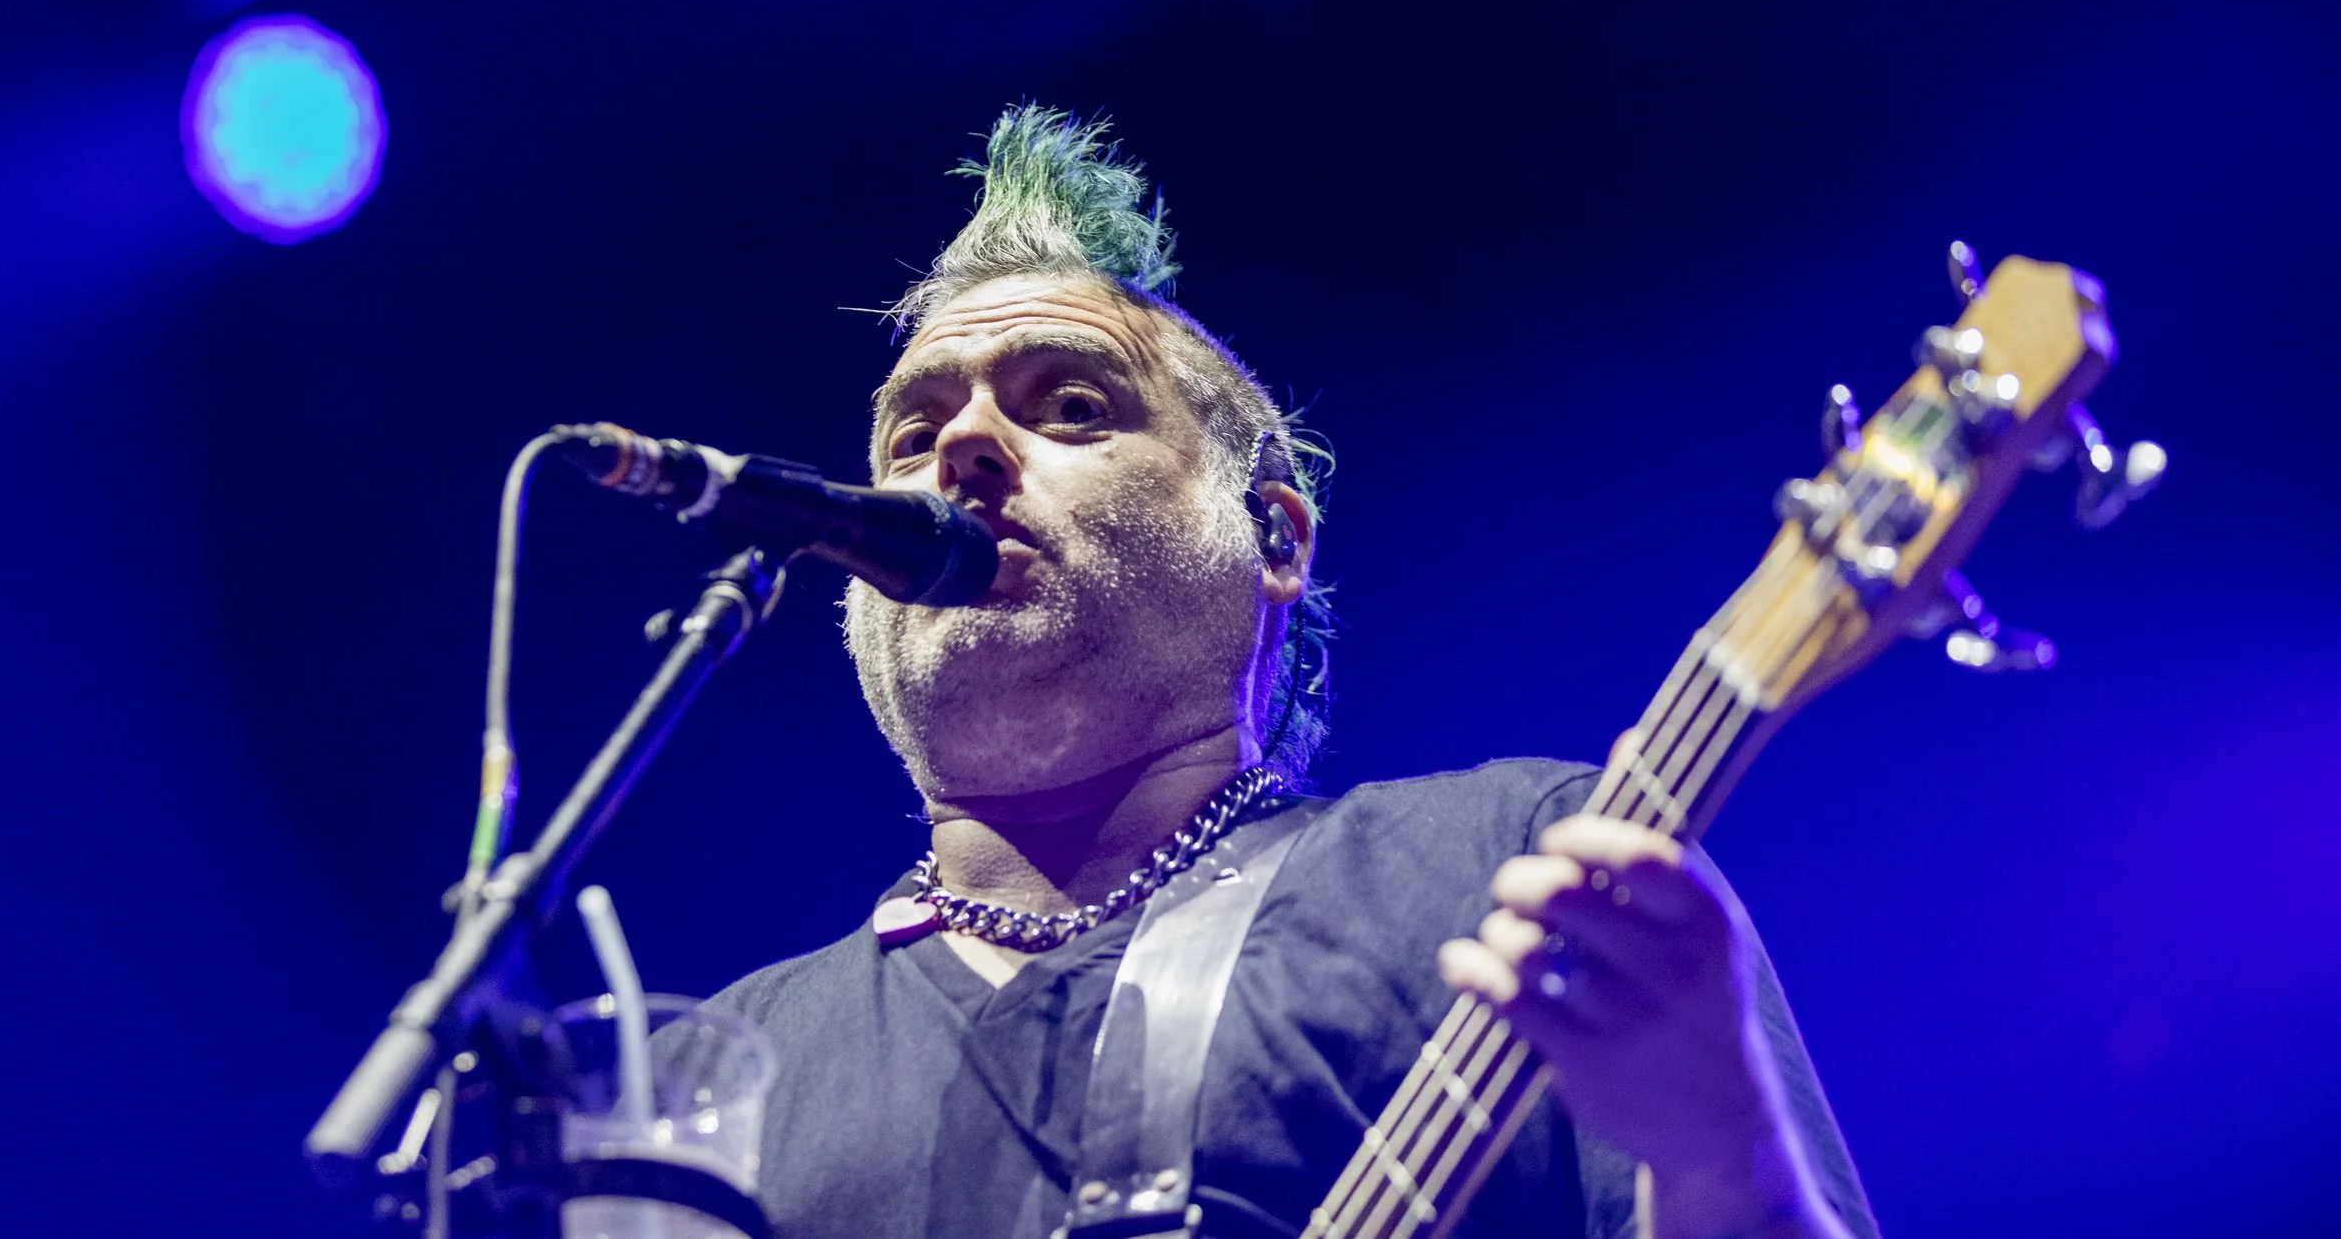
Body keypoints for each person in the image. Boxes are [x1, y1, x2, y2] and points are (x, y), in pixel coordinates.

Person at [708, 106, 1875, 1239]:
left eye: (1070, 406)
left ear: (1273, 535)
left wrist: (1725, 1155)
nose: (959, 449)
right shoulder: (704, 1081)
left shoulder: (1515, 864)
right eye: (910, 440)